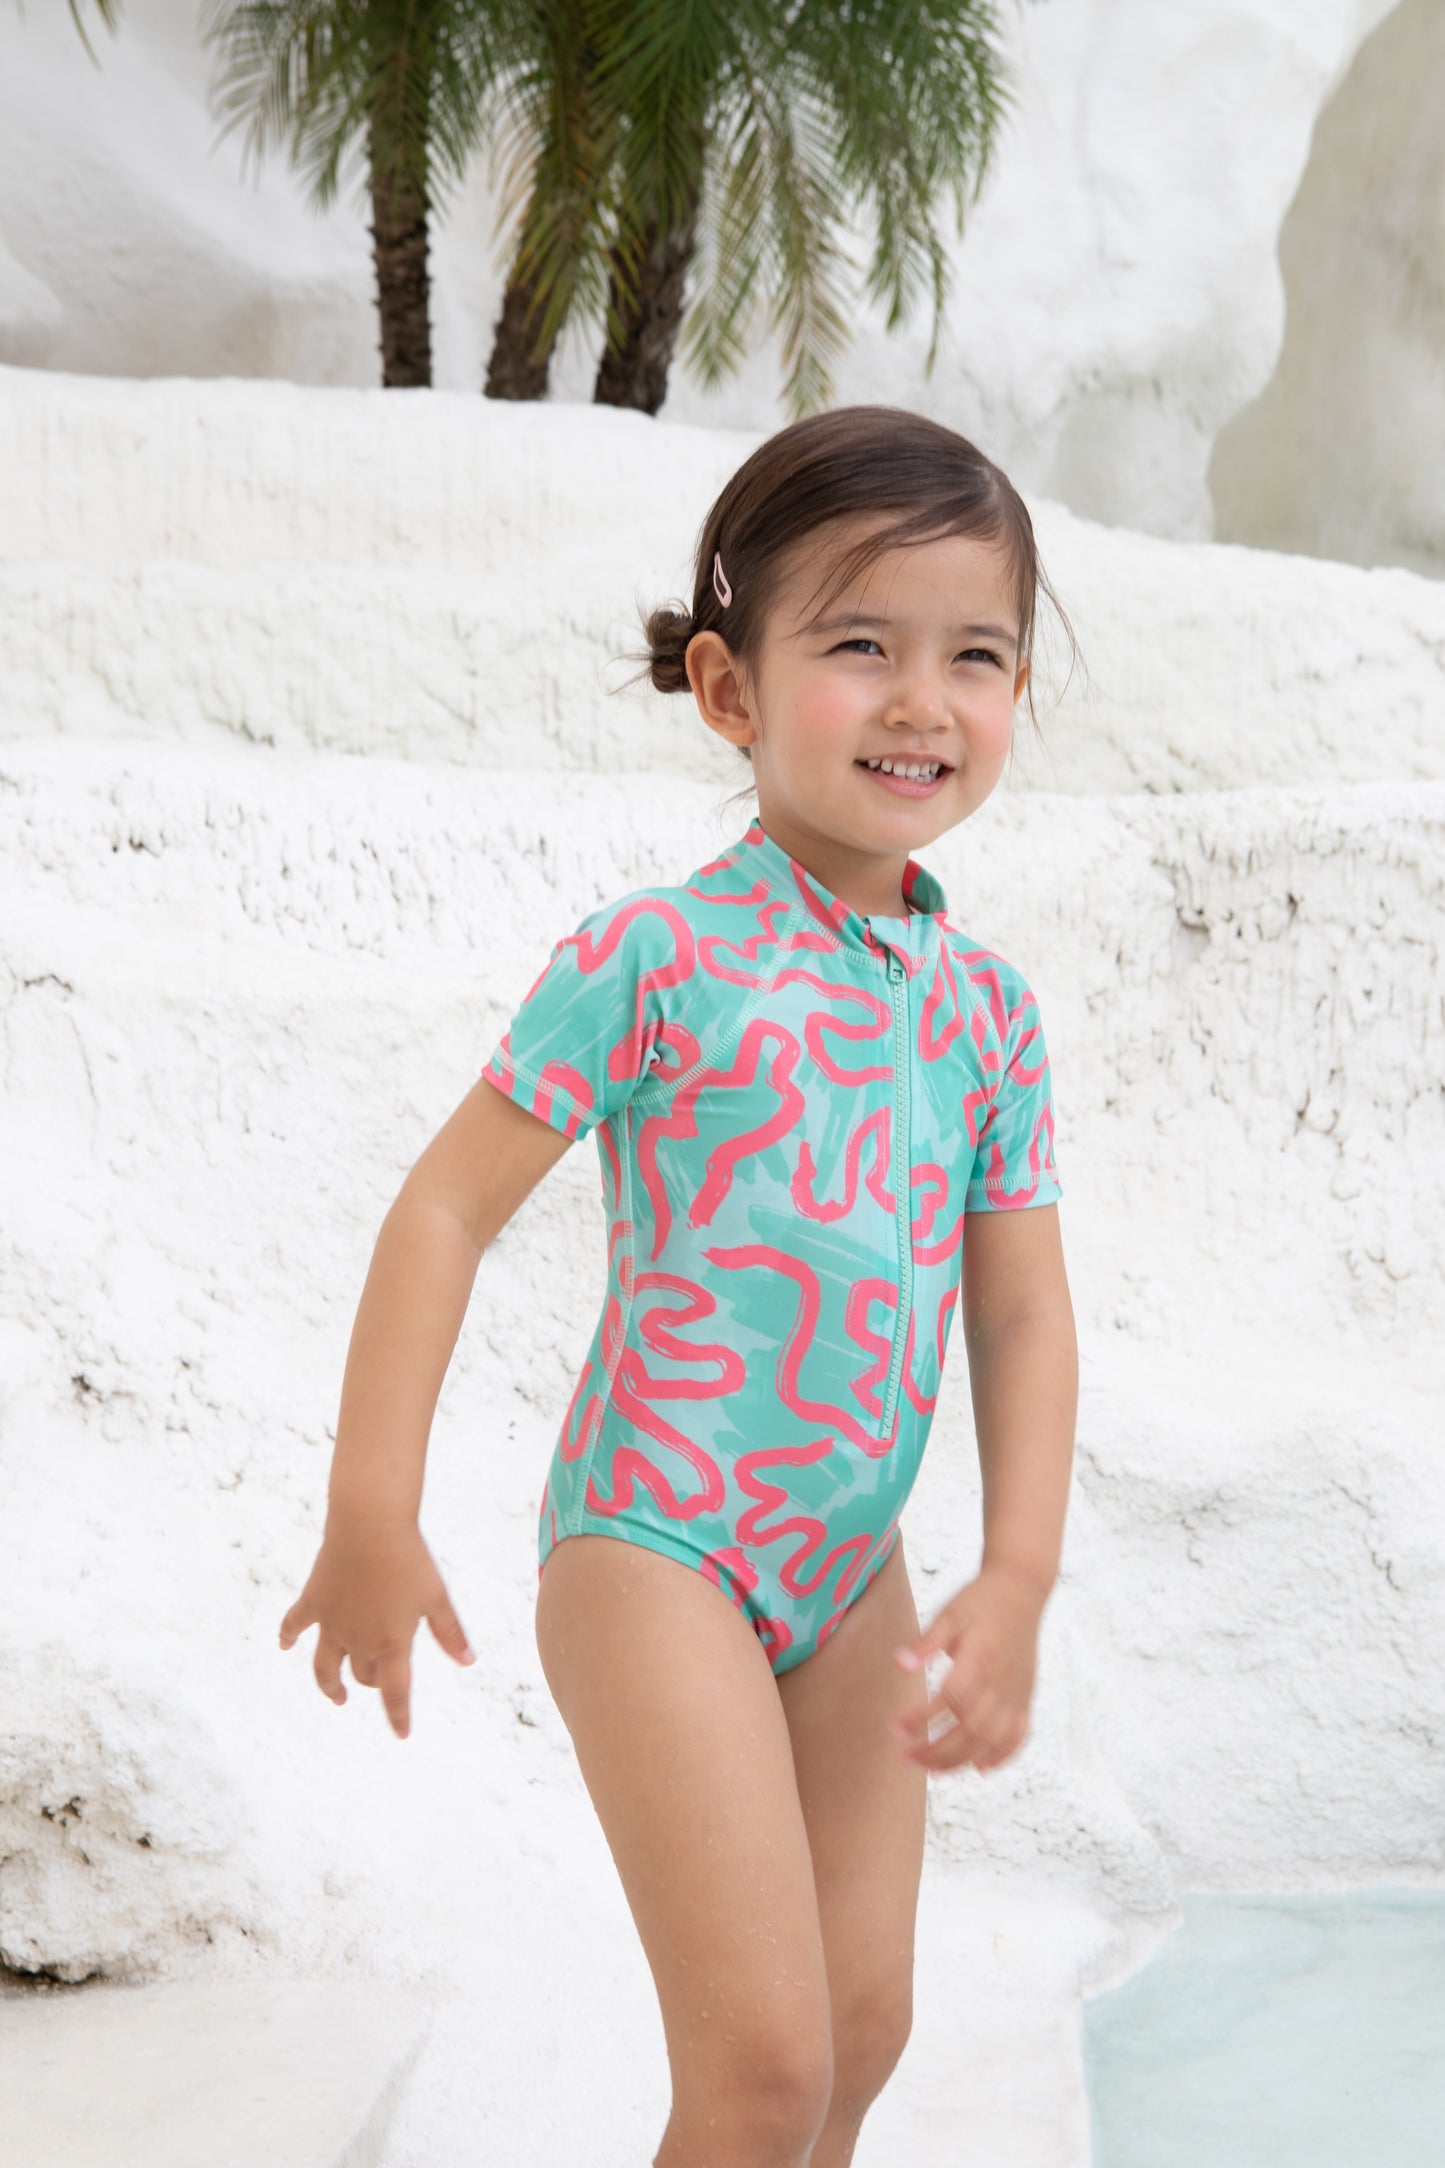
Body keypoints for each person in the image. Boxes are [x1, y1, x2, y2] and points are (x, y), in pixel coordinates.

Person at [280, 404, 1080, 2168]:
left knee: (860, 2034)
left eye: (973, 655)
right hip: (658, 1545)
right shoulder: (658, 956)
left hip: (846, 1566)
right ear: (728, 687)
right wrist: (370, 1508)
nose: (919, 700)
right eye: (857, 646)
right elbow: (443, 1212)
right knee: (761, 2067)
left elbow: (1020, 1309)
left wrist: (1017, 1570)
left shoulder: (988, 1015)